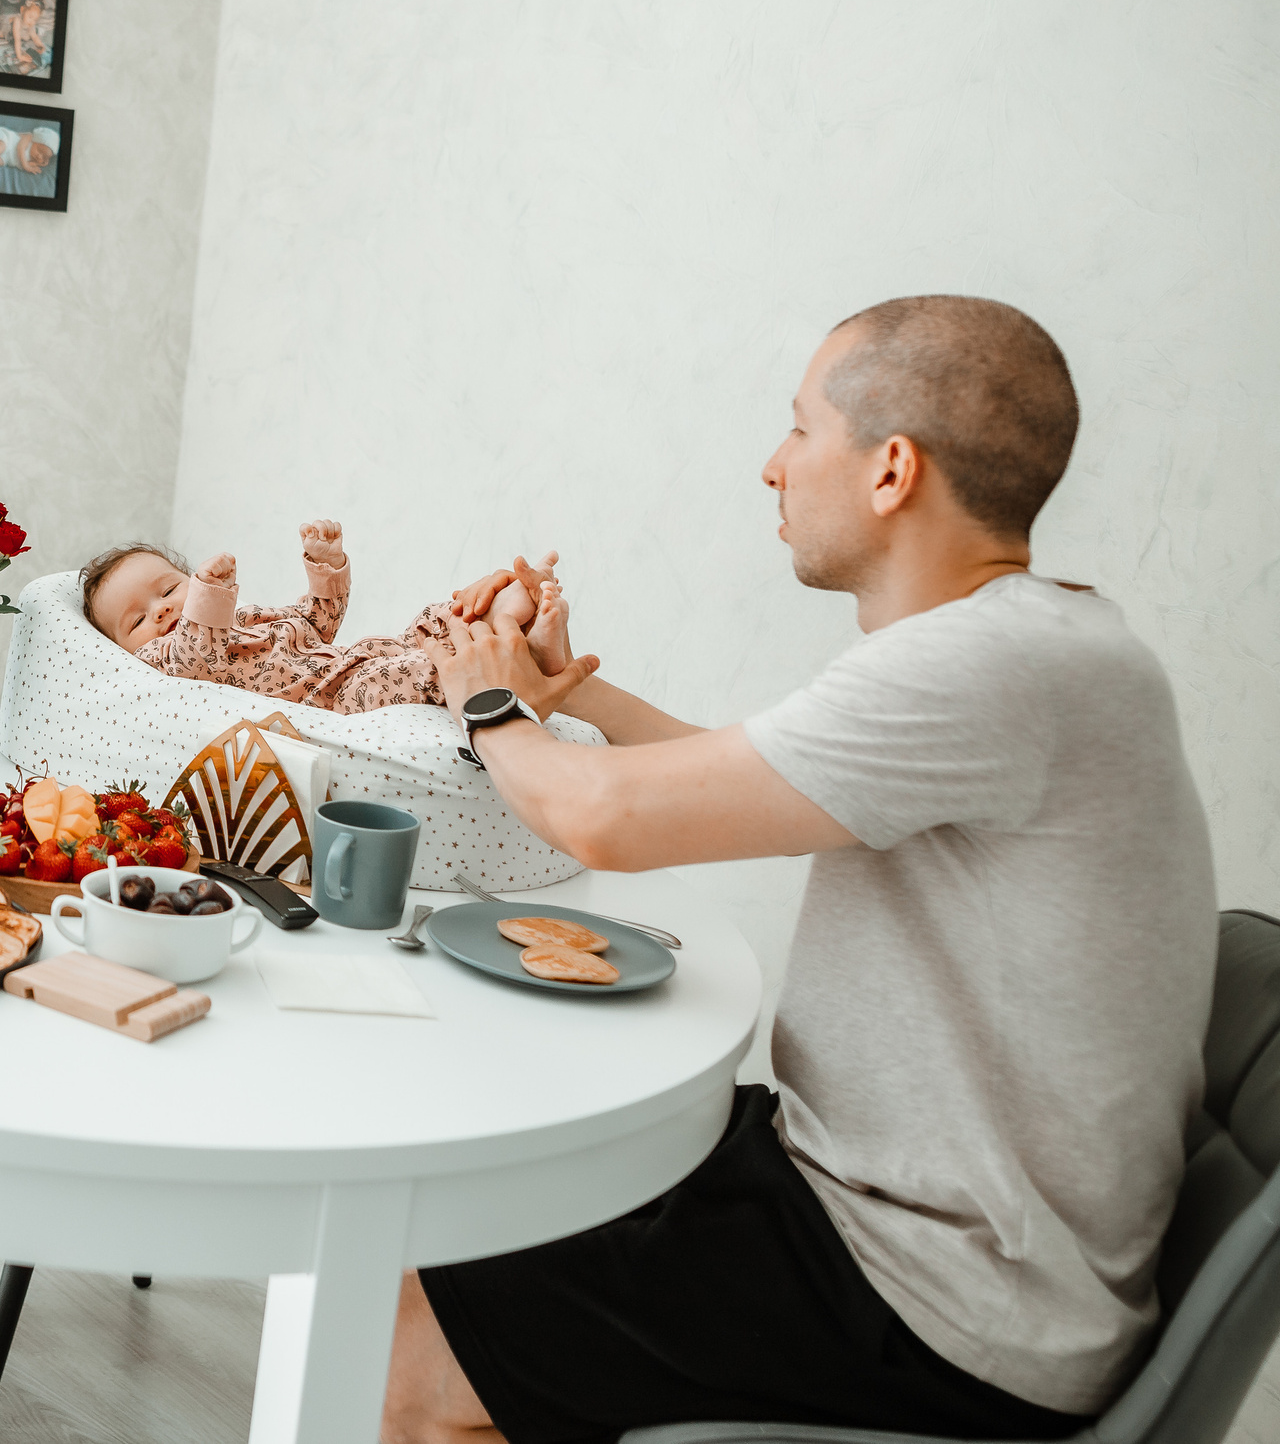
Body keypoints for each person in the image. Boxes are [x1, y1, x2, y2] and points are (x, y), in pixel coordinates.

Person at [387, 296, 1216, 1443]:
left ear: (889, 471)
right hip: (889, 1217)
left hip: (935, 1295)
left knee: (423, 1336)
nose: (770, 467)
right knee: (470, 1204)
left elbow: (605, 821)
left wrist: (484, 700)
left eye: (797, 429)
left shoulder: (990, 666)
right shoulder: (1029, 646)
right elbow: (732, 775)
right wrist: (559, 693)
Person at [81, 524, 572, 713]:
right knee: (402, 677)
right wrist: (207, 598)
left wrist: (326, 570)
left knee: (433, 621)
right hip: (336, 697)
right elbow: (196, 653)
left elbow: (314, 624)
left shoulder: (247, 618)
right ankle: (519, 654)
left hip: (351, 659)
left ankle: (511, 612)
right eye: (137, 620)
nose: (160, 610)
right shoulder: (163, 659)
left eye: (168, 590)